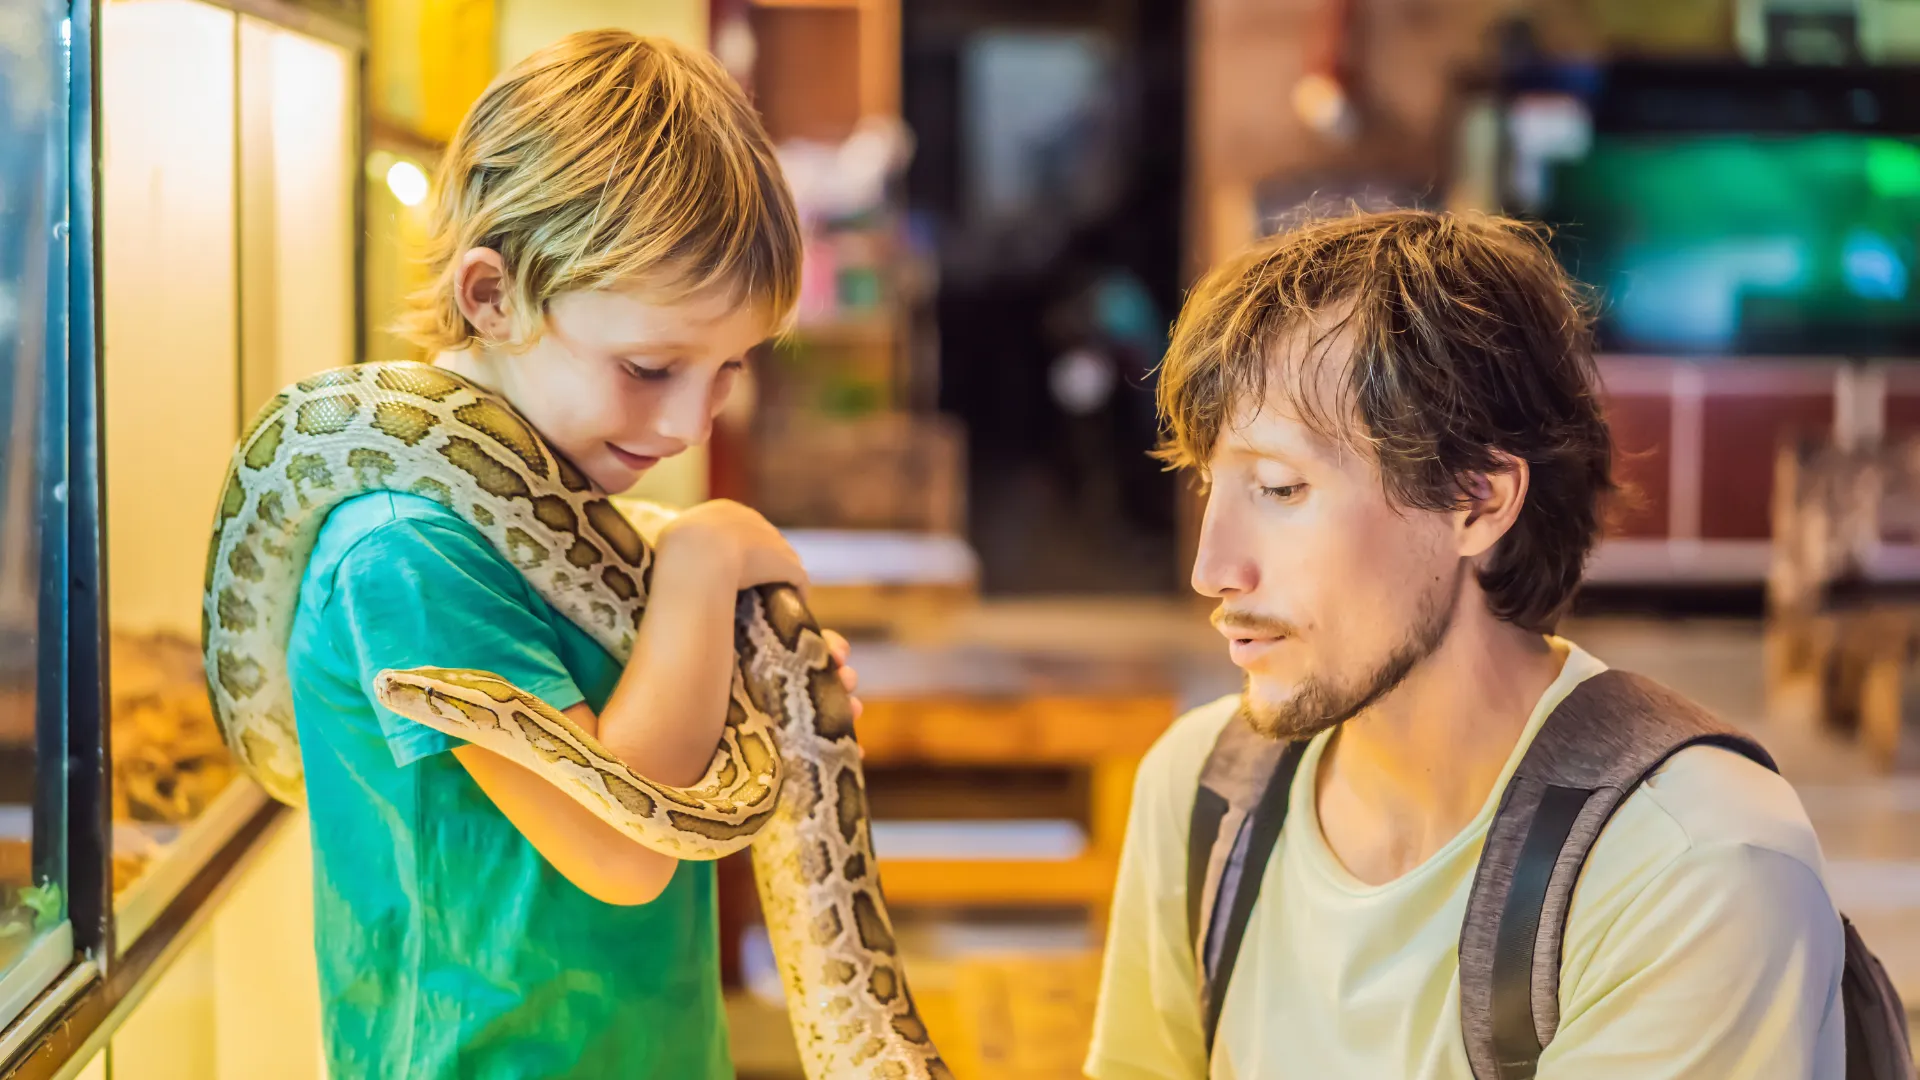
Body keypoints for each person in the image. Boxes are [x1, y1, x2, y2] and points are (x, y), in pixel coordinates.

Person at [1086, 210, 1845, 1079]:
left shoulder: (1696, 867)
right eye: (1207, 483)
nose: (1212, 568)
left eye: (1280, 488)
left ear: (1478, 501)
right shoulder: (1204, 793)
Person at [284, 31, 856, 1078]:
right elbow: (626, 846)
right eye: (649, 367)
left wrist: (757, 691)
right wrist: (702, 556)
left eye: (727, 369)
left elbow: (693, 777)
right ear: (492, 296)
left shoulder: (583, 524)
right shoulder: (411, 554)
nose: (690, 423)